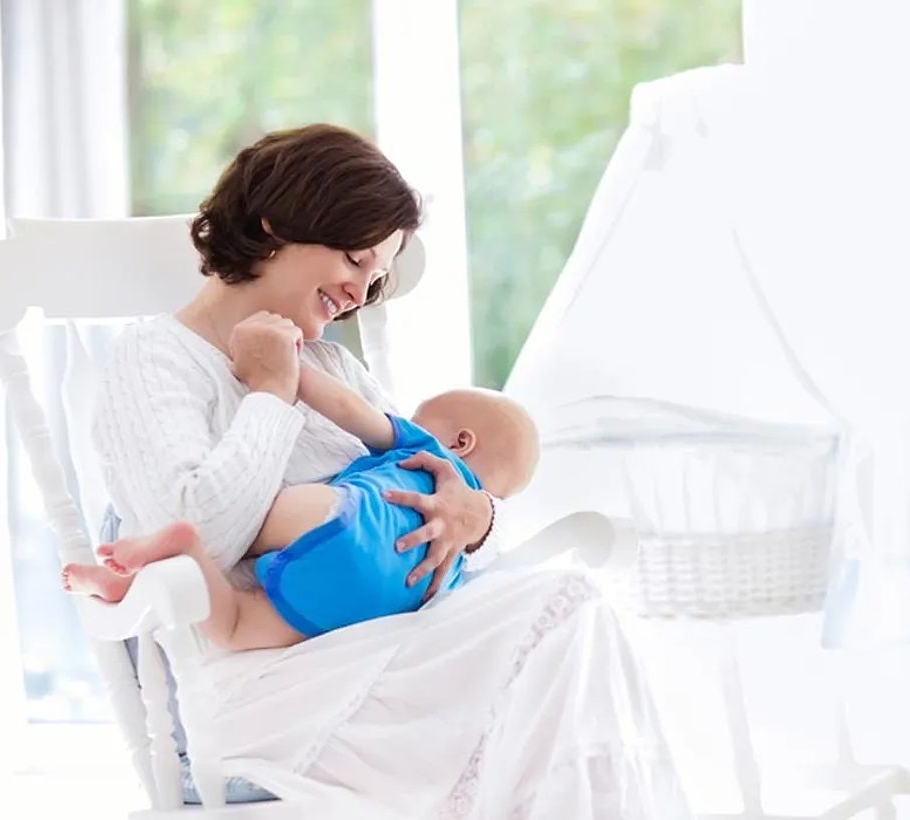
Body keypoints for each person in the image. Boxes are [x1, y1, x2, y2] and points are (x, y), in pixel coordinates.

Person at [90, 124, 690, 817]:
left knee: (572, 616)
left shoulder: (334, 367)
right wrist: (267, 394)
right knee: (562, 625)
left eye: (376, 278)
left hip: (391, 648)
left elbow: (412, 488)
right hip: (266, 679)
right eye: (354, 258)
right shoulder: (154, 360)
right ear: (276, 224)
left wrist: (478, 517)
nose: (359, 291)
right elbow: (198, 535)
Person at [64, 360, 539, 649]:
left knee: (237, 521)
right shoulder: (466, 549)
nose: (409, 419)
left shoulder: (429, 455)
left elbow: (353, 410)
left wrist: (286, 367)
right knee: (234, 624)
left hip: (347, 514)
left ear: (460, 441)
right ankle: (179, 553)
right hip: (383, 600)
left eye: (419, 416)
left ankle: (161, 560)